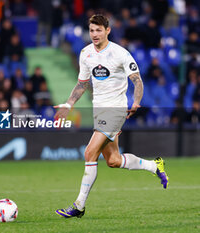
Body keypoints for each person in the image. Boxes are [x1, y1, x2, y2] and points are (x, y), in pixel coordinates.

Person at [54, 15, 169, 218]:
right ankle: (154, 165)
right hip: (99, 110)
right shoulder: (85, 53)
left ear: (108, 30)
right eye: (91, 30)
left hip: (116, 109)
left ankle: (79, 206)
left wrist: (136, 102)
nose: (94, 34)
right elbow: (82, 84)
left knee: (89, 153)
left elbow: (137, 81)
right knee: (114, 160)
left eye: (98, 30)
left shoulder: (120, 54)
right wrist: (68, 104)